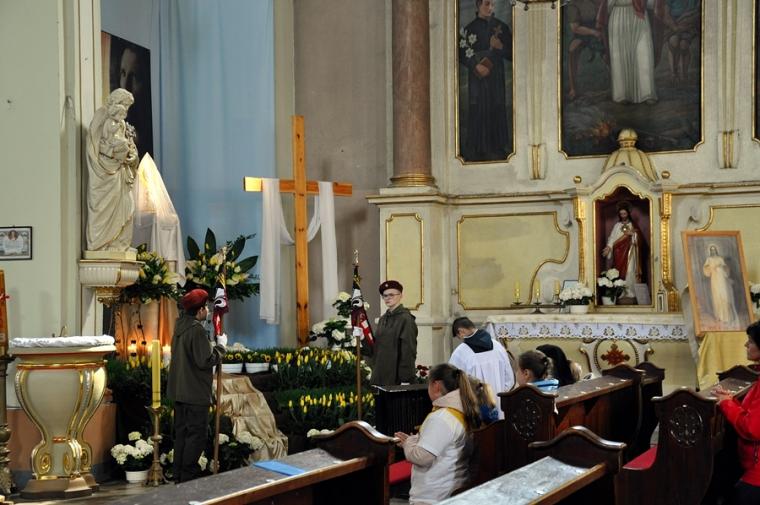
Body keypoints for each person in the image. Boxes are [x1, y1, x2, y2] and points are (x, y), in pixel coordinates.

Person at [394, 363, 481, 504]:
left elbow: (421, 457)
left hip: (433, 497)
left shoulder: (441, 418)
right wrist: (415, 440)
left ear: (436, 385)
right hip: (451, 490)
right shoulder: (460, 410)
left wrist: (408, 443)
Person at [166, 289, 227, 483]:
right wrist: (221, 347)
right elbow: (205, 360)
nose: (208, 311)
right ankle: (188, 478)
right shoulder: (197, 330)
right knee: (195, 437)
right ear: (200, 310)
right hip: (195, 393)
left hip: (180, 392)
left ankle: (179, 476)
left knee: (182, 436)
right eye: (206, 307)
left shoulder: (179, 327)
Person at [711, 321, 760, 504]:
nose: (746, 345)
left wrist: (726, 404)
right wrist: (730, 400)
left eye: (751, 341)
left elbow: (752, 428)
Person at [85, 88, 139, 252]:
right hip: (106, 173)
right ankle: (101, 244)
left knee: (128, 205)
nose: (125, 110)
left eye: (127, 107)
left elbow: (128, 147)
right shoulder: (104, 120)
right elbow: (98, 148)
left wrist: (131, 155)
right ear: (116, 103)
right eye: (125, 105)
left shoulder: (121, 124)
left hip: (120, 172)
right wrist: (114, 151)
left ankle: (120, 243)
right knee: (104, 207)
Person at [458, 0, 512, 161]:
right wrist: (475, 66)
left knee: (496, 105)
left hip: (496, 75)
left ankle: (498, 146)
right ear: (478, 5)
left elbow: (512, 53)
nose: (490, 8)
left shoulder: (501, 27)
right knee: (478, 107)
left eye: (492, 4)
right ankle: (478, 148)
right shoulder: (469, 29)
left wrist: (500, 47)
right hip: (478, 76)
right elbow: (461, 53)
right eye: (486, 4)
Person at [596, 0, 660, 104]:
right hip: (618, 16)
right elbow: (607, 6)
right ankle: (622, 95)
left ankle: (647, 93)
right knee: (620, 56)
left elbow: (651, 3)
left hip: (640, 17)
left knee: (644, 53)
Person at [449, 317, 514, 418]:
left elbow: (453, 382)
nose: (461, 340)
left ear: (461, 331)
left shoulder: (460, 352)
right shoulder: (498, 346)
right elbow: (509, 379)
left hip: (475, 408)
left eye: (459, 337)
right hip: (499, 406)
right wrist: (498, 393)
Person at [369, 280, 418, 386]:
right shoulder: (383, 319)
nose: (387, 298)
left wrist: (406, 378)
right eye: (385, 296)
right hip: (380, 374)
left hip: (395, 376)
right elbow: (378, 347)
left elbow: (408, 350)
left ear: (400, 295)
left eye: (391, 295)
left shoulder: (405, 319)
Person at [602, 201, 645, 300]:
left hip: (630, 252)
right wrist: (608, 247)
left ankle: (630, 291)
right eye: (621, 214)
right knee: (619, 272)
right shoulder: (617, 225)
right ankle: (621, 292)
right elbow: (612, 238)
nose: (623, 216)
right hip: (618, 252)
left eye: (624, 213)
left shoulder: (632, 225)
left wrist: (633, 234)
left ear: (628, 213)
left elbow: (639, 239)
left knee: (630, 270)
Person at [565, 0, 605, 100]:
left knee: (609, 50)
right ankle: (573, 89)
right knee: (572, 49)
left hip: (601, 30)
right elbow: (575, 28)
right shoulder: (573, 4)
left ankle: (616, 84)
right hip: (584, 33)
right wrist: (594, 33)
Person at [703, 244, 740, 327]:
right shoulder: (709, 259)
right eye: (711, 250)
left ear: (716, 250)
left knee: (724, 296)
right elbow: (706, 269)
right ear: (710, 251)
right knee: (717, 296)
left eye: (714, 249)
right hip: (714, 279)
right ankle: (719, 316)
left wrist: (721, 267)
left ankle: (726, 317)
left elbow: (726, 269)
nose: (713, 251)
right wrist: (710, 268)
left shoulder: (720, 258)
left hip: (722, 279)